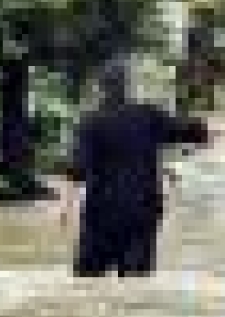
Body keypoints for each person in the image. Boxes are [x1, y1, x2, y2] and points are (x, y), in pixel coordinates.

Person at [59, 58, 210, 277]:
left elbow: (76, 168)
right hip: (142, 213)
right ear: (128, 87)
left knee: (87, 280)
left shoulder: (90, 122)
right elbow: (185, 131)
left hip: (101, 214)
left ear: (101, 89)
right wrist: (208, 131)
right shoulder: (148, 116)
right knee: (135, 283)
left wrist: (65, 207)